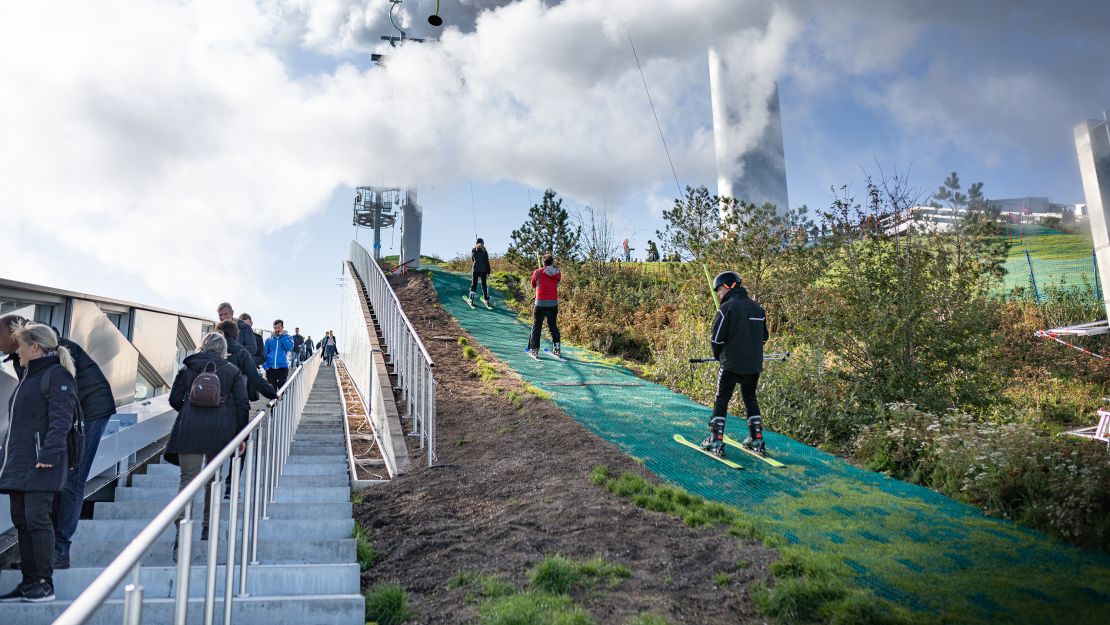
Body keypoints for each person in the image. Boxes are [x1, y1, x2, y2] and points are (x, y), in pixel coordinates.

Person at [0, 315, 115, 570]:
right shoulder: (25, 357)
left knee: (71, 479)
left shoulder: (53, 352)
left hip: (91, 410)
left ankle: (59, 551)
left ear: (15, 335)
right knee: (54, 481)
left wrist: (51, 449)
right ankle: (42, 553)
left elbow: (60, 406)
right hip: (70, 414)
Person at [0, 323, 79, 603]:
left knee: (37, 520)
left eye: (20, 345)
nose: (16, 350)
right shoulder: (28, 377)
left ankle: (44, 584)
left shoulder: (56, 375)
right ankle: (29, 582)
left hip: (41, 464)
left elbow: (62, 419)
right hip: (19, 463)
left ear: (35, 347)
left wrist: (49, 454)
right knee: (21, 521)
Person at [166, 333, 249, 545]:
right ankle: (207, 527)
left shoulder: (187, 368)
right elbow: (242, 405)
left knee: (187, 483)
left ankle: (181, 534)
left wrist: (189, 410)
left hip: (189, 430)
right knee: (213, 481)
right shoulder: (232, 371)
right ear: (224, 350)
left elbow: (174, 399)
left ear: (203, 346)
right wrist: (241, 436)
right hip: (220, 432)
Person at [701, 271, 769, 457]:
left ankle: (715, 440)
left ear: (729, 286)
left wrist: (718, 356)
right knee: (750, 397)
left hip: (730, 363)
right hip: (754, 364)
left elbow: (716, 339)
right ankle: (756, 438)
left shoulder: (726, 309)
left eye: (720, 290)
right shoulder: (758, 309)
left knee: (721, 399)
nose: (719, 294)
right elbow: (764, 337)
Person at [216, 320, 276, 402]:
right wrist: (272, 394)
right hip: (234, 401)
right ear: (236, 335)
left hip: (210, 399)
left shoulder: (207, 351)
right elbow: (256, 379)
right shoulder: (242, 353)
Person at [527, 253, 562, 358]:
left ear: (543, 262)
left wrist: (538, 276)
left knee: (537, 326)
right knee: (553, 326)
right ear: (552, 262)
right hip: (553, 303)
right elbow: (556, 282)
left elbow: (533, 285)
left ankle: (534, 350)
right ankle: (557, 349)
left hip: (540, 303)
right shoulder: (557, 273)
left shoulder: (537, 272)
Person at [263, 320, 295, 391]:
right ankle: (274, 401)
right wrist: (265, 366)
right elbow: (264, 354)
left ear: (282, 327)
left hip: (282, 368)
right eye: (275, 328)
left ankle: (280, 401)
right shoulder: (268, 339)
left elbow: (289, 347)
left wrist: (282, 337)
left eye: (279, 327)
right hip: (270, 368)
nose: (277, 329)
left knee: (281, 389)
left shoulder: (288, 337)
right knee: (271, 391)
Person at [467, 238, 492, 307]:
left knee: (474, 284)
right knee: (484, 285)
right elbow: (487, 262)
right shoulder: (485, 251)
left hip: (475, 270)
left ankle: (471, 299)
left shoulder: (473, 250)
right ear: (483, 243)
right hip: (483, 270)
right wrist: (488, 271)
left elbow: (473, 259)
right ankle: (486, 299)